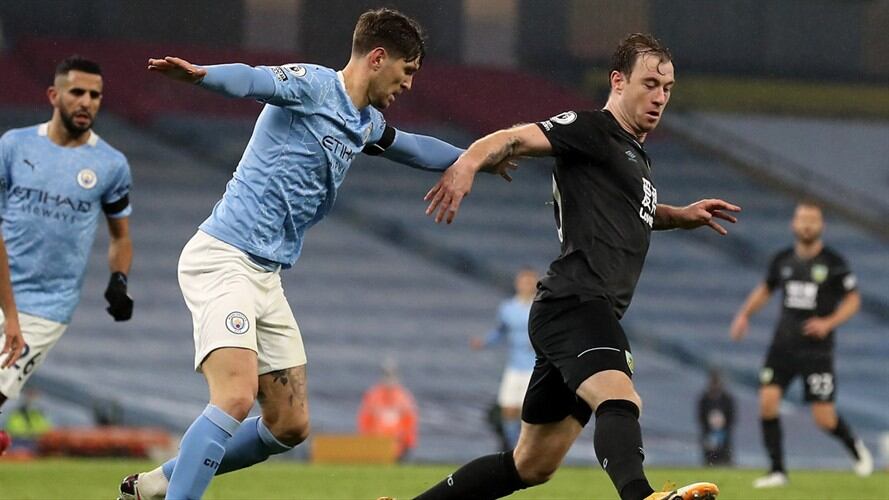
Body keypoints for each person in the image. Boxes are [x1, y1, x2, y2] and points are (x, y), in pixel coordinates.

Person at [118, 8, 512, 500]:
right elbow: (252, 80)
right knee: (236, 396)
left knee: (289, 423)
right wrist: (202, 76)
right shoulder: (313, 85)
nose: (409, 84)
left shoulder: (365, 122)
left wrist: (474, 159)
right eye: (407, 71)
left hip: (265, 273)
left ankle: (157, 484)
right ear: (378, 57)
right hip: (224, 256)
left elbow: (410, 147)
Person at [412, 33, 739, 500]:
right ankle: (640, 496)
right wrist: (467, 164)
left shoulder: (631, 153)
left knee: (530, 464)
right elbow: (513, 137)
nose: (660, 96)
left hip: (572, 311)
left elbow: (629, 211)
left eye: (667, 87)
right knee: (620, 397)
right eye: (650, 83)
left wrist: (677, 216)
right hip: (577, 304)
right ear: (618, 81)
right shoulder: (593, 130)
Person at [0, 55, 133, 415]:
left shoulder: (111, 165)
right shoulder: (13, 146)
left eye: (95, 95)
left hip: (46, 307)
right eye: (77, 92)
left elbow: (120, 236)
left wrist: (118, 280)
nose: (86, 102)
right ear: (53, 95)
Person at [730, 201, 873, 488]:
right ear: (794, 224)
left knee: (824, 418)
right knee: (768, 402)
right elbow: (766, 288)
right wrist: (744, 314)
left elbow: (854, 300)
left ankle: (853, 444)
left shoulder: (834, 263)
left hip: (816, 351)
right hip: (782, 346)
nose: (807, 225)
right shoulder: (782, 260)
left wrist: (828, 323)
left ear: (821, 226)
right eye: (802, 219)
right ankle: (777, 471)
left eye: (813, 220)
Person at [470, 267, 537, 450]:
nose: (526, 285)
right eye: (523, 281)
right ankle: (513, 447)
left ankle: (527, 450)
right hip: (515, 366)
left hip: (535, 367)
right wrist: (484, 342)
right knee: (508, 409)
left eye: (530, 281)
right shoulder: (508, 308)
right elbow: (500, 331)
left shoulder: (541, 306)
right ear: (517, 283)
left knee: (528, 412)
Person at [357, 358, 418, 460]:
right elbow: (365, 420)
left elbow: (409, 421)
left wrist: (408, 441)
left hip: (399, 444)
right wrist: (367, 440)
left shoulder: (403, 397)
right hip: (377, 445)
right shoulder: (373, 396)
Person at [697, 369, 735, 466]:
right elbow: (700, 416)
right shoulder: (704, 399)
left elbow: (732, 416)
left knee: (724, 456)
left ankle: (725, 463)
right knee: (709, 455)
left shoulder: (726, 399)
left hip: (724, 433)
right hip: (708, 432)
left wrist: (723, 425)